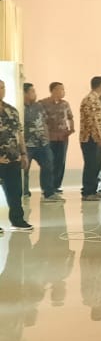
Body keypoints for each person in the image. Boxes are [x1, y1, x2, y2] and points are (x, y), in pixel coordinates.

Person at [0, 80, 33, 230]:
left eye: (3, 87)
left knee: (15, 191)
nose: (2, 90)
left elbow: (19, 134)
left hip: (13, 158)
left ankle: (17, 220)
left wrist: (24, 153)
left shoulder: (12, 110)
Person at [39, 81, 75, 195]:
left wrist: (71, 129)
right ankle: (47, 187)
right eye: (61, 89)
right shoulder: (43, 103)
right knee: (49, 162)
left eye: (63, 89)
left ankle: (56, 185)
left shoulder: (65, 104)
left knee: (60, 162)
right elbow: (40, 120)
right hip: (49, 137)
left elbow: (70, 117)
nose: (63, 91)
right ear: (53, 90)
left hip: (63, 137)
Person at [79, 75, 101, 200]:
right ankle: (87, 192)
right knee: (91, 165)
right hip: (91, 138)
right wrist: (100, 138)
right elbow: (94, 121)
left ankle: (93, 190)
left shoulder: (96, 99)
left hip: (95, 138)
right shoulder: (91, 99)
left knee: (96, 165)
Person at [22, 84, 54, 200]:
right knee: (24, 169)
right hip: (27, 144)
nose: (35, 94)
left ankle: (48, 193)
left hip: (42, 143)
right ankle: (24, 192)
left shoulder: (38, 106)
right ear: (24, 93)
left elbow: (44, 122)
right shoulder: (20, 107)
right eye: (32, 91)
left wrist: (47, 138)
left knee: (48, 166)